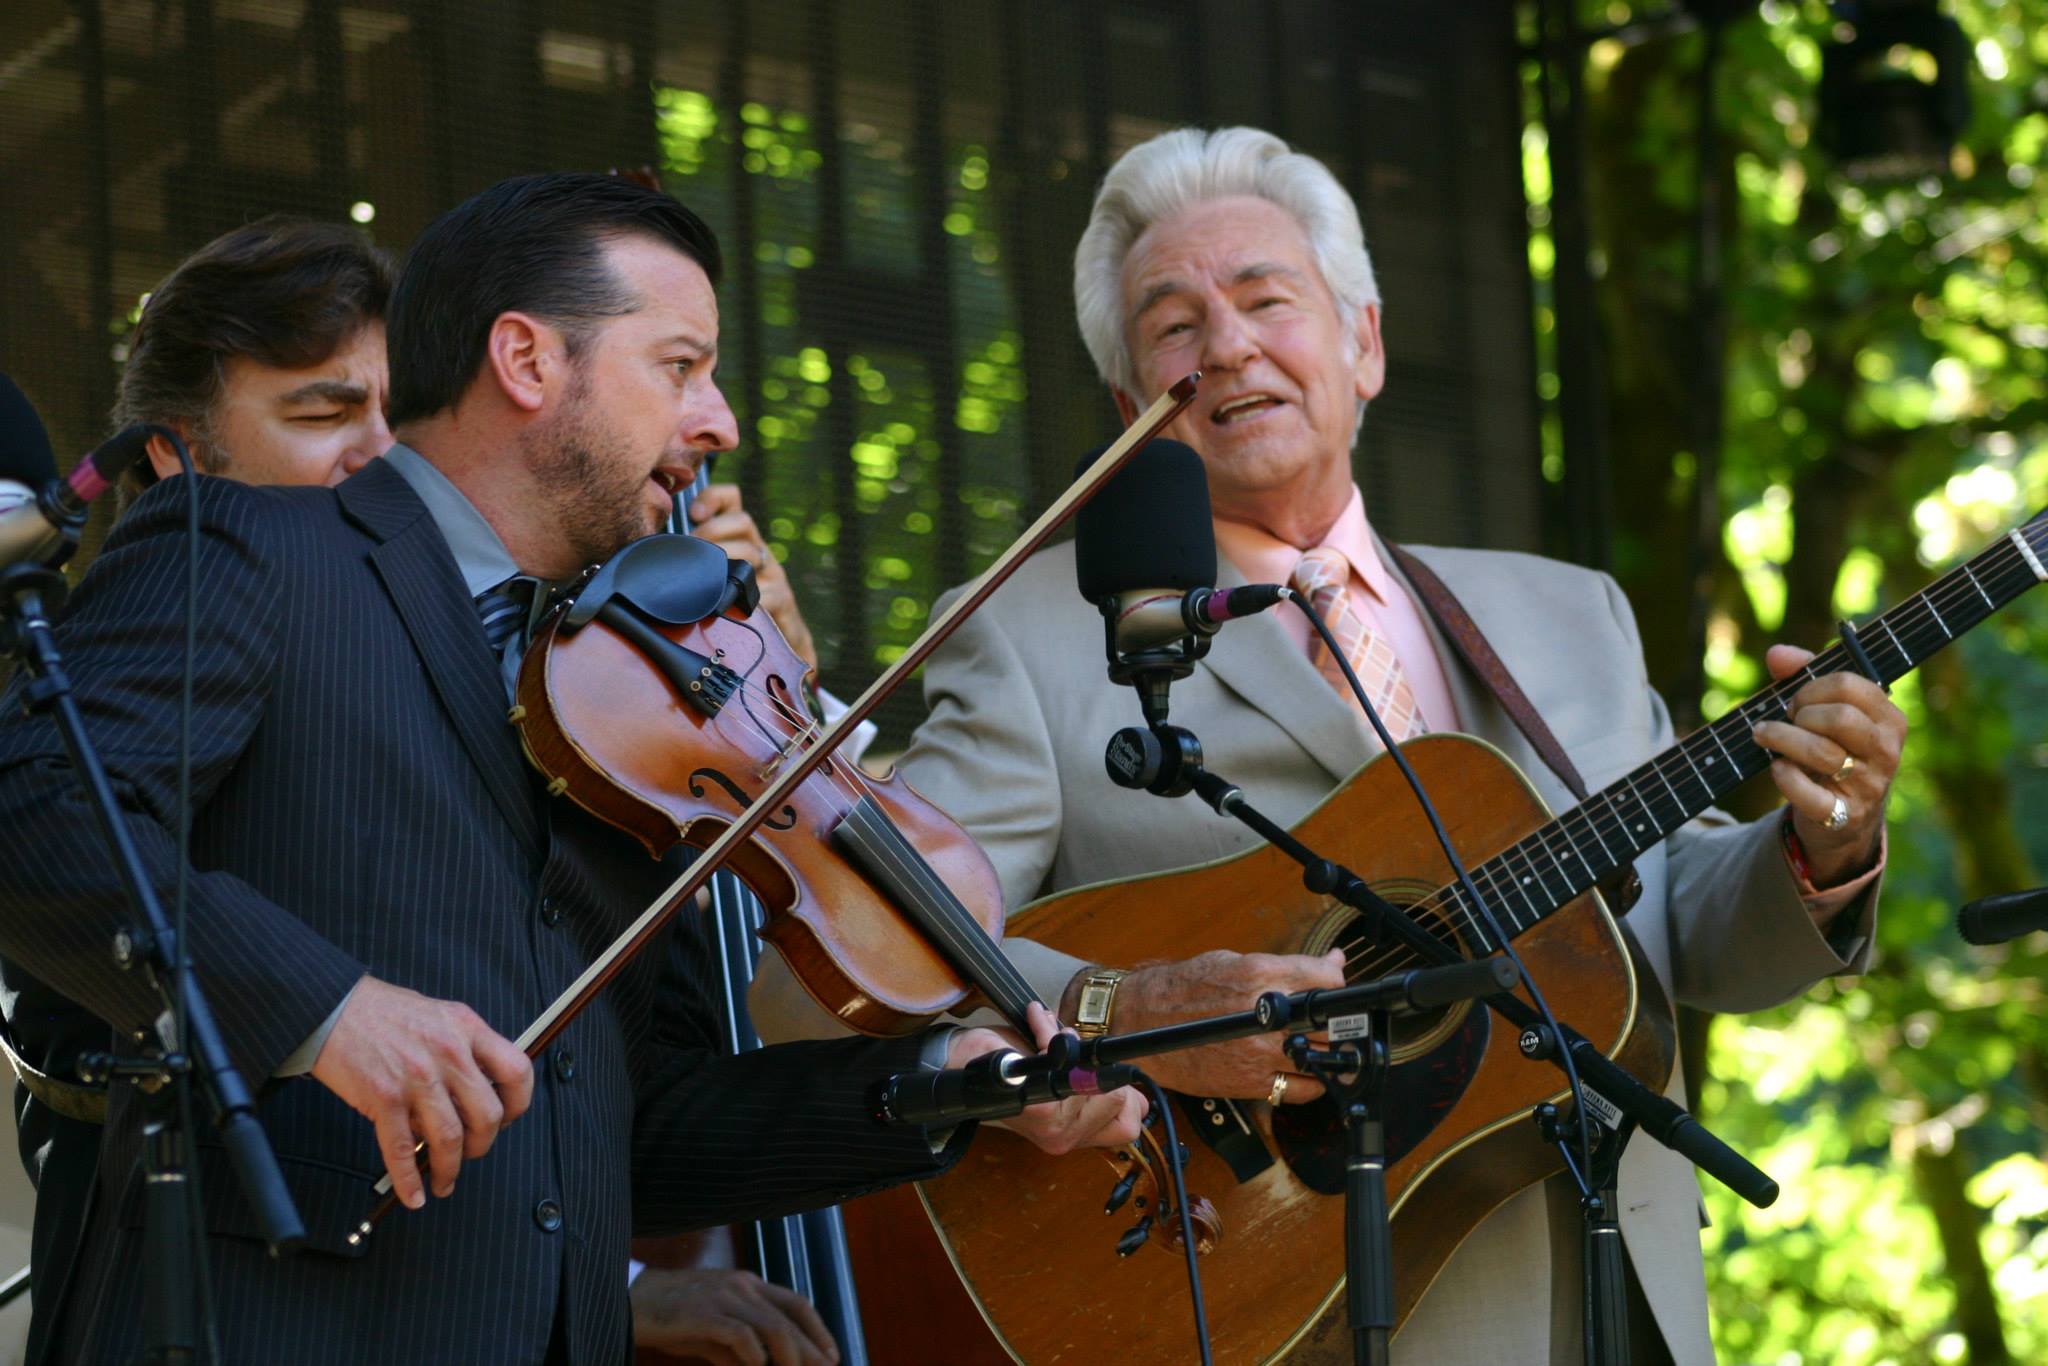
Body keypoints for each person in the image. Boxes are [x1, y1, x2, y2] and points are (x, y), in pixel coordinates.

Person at [757, 126, 1904, 1364]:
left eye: (1265, 299)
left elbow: (1673, 924)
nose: (1229, 345)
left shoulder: (1565, 613)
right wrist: (1127, 1008)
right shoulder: (1034, 632)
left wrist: (1819, 845)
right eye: (1173, 326)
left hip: (1609, 1297)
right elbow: (858, 957)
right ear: (1129, 406)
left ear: (1362, 343)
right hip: (1268, 1303)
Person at [0, 173, 1139, 1365]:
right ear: (527, 363)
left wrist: (943, 1079)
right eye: (680, 366)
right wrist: (327, 1008)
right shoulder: (247, 545)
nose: (720, 423)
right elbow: (28, 807)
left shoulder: (634, 708)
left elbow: (632, 1124)